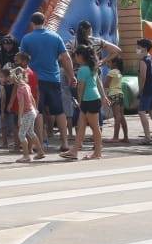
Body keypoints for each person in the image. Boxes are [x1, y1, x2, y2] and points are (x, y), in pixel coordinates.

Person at [20, 12, 75, 152]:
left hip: (34, 80)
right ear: (45, 21)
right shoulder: (55, 37)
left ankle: (40, 143)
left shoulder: (27, 39)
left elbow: (21, 60)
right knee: (59, 111)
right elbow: (66, 58)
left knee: (37, 111)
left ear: (32, 23)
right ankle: (64, 143)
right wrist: (71, 75)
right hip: (53, 79)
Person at [61, 47, 103, 161]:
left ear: (80, 56)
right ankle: (74, 150)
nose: (75, 58)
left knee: (95, 127)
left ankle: (97, 152)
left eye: (75, 56)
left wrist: (79, 101)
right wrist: (103, 97)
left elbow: (81, 87)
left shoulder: (83, 70)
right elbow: (98, 83)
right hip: (93, 98)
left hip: (89, 99)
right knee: (81, 126)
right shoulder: (92, 67)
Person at [9, 66, 45, 163]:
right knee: (31, 132)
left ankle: (26, 156)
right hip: (32, 112)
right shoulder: (26, 86)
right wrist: (35, 109)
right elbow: (32, 98)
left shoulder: (20, 88)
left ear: (16, 77)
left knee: (21, 134)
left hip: (27, 113)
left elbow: (21, 104)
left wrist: (19, 118)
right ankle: (40, 152)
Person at [107, 58, 128, 144]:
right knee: (121, 116)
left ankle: (115, 137)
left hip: (113, 94)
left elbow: (106, 84)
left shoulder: (112, 72)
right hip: (120, 94)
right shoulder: (119, 72)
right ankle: (126, 137)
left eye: (109, 61)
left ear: (114, 63)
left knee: (117, 116)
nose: (108, 63)